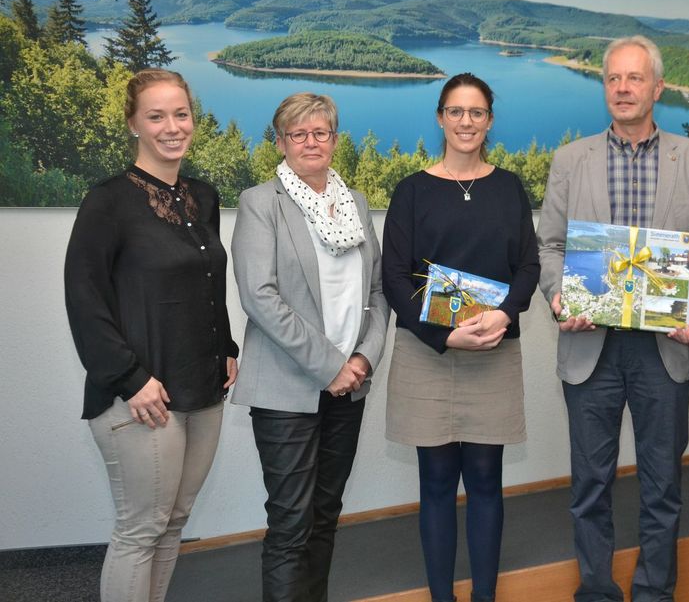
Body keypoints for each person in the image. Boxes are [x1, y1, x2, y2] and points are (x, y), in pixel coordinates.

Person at [537, 35, 689, 602]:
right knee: (589, 485)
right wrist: (558, 298)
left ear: (658, 87)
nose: (622, 88)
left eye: (634, 78)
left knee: (662, 486)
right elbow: (549, 247)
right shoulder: (571, 160)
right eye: (613, 79)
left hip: (664, 349)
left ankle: (653, 593)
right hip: (589, 345)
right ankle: (596, 590)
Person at [63, 68, 239, 602]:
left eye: (180, 114)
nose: (172, 126)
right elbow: (84, 300)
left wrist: (226, 347)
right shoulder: (107, 201)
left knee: (173, 521)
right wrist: (130, 379)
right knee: (141, 529)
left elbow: (208, 282)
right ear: (133, 124)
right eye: (156, 116)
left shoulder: (202, 197)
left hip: (202, 388)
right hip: (141, 398)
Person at [382, 73, 539, 602]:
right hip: (428, 354)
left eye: (476, 112)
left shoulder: (510, 187)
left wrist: (506, 314)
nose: (466, 121)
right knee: (436, 485)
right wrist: (443, 338)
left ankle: (484, 597)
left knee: (487, 481)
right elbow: (394, 279)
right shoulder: (411, 190)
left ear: (489, 120)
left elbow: (529, 266)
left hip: (493, 350)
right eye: (455, 111)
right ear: (440, 117)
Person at [231, 93, 389, 602]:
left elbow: (378, 292)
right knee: (291, 525)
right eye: (298, 134)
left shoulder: (356, 203)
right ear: (281, 143)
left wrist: (363, 358)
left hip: (350, 388)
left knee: (325, 517)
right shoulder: (261, 203)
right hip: (286, 390)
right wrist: (330, 366)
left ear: (335, 141)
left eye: (320, 132)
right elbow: (260, 296)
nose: (310, 142)